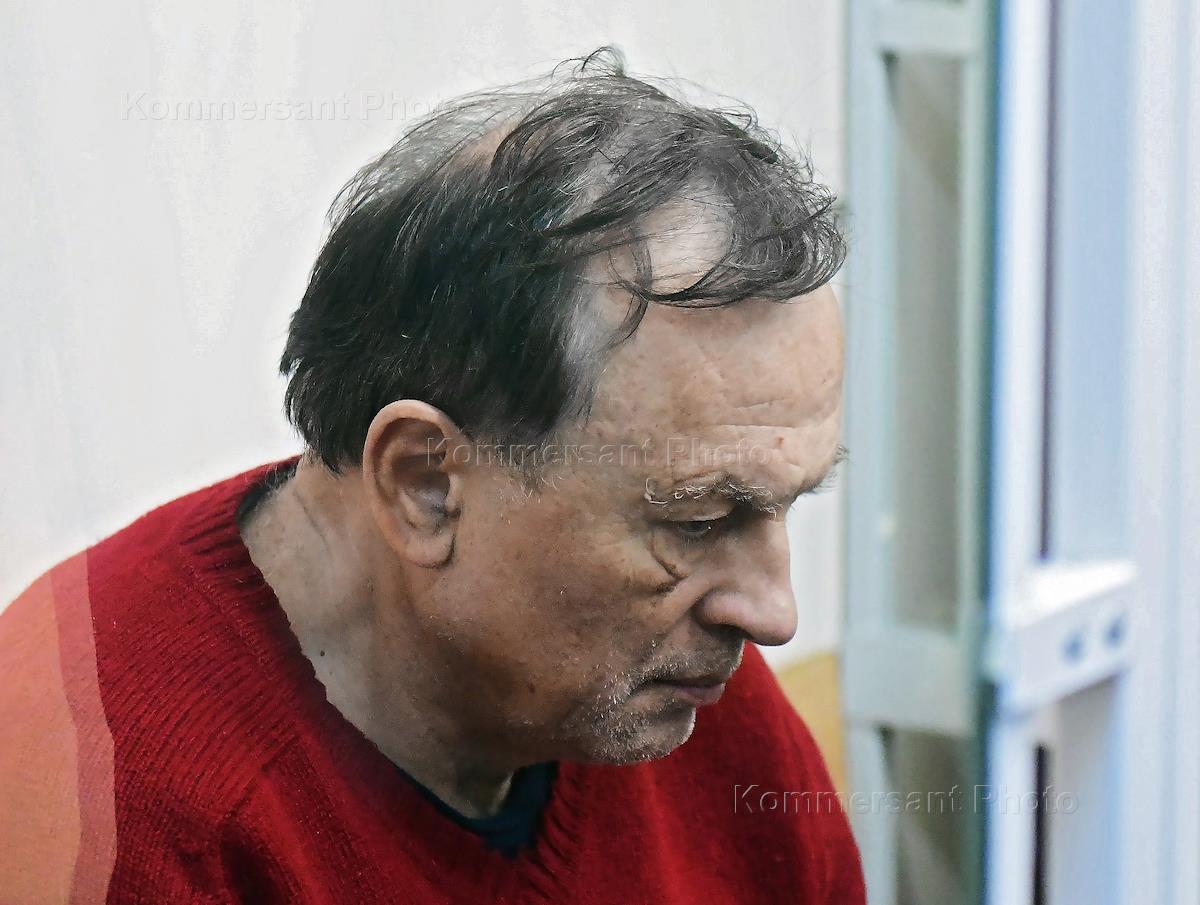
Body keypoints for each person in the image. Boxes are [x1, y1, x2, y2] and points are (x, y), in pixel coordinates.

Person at [0, 49, 865, 903]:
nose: (773, 613)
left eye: (784, 505)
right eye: (698, 520)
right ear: (426, 484)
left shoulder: (668, 684)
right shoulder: (107, 814)